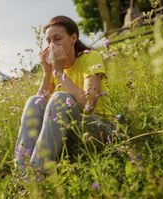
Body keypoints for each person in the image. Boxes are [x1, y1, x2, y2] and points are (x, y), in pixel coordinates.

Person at [15, 16, 114, 174]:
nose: (52, 45)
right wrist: (48, 73)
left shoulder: (90, 57)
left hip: (101, 130)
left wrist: (59, 73)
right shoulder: (55, 67)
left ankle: (37, 175)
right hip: (74, 131)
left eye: (57, 39)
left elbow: (89, 105)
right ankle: (22, 175)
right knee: (34, 101)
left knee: (60, 98)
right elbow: (38, 107)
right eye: (48, 41)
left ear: (73, 38)